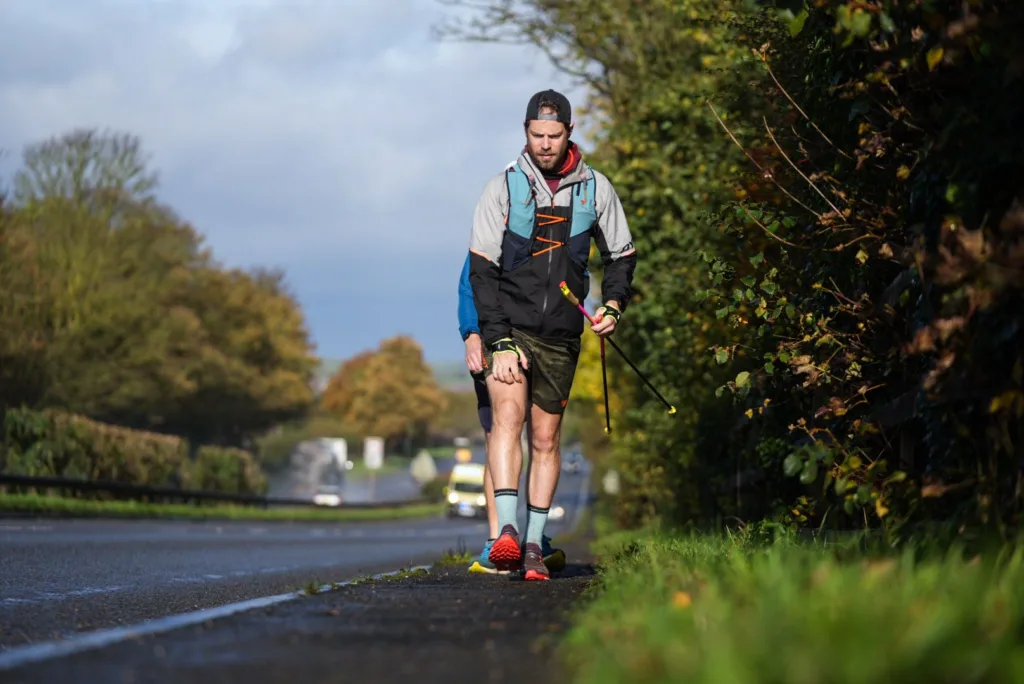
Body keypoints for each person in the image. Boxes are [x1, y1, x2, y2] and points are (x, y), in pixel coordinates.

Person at [467, 89, 637, 581]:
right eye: (537, 135)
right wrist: (495, 338)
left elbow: (622, 256)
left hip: (562, 334)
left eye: (554, 135)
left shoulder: (595, 189)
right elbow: (481, 272)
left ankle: (537, 545)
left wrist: (613, 304)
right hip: (510, 329)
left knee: (546, 437)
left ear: (568, 133)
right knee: (508, 417)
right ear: (526, 132)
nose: (545, 144)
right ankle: (507, 533)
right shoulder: (502, 187)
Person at [457, 253, 567, 575]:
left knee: (542, 437)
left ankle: (534, 537)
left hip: (542, 340)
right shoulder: (493, 228)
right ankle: (497, 539)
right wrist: (471, 334)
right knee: (497, 430)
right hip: (494, 340)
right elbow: (468, 285)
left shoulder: (553, 229)